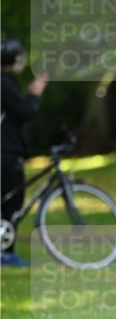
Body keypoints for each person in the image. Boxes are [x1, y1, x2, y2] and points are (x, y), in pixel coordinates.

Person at [1, 39, 48, 267]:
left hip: (8, 152)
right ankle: (6, 254)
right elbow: (23, 112)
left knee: (8, 203)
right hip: (6, 154)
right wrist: (35, 94)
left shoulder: (7, 83)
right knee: (11, 204)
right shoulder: (4, 84)